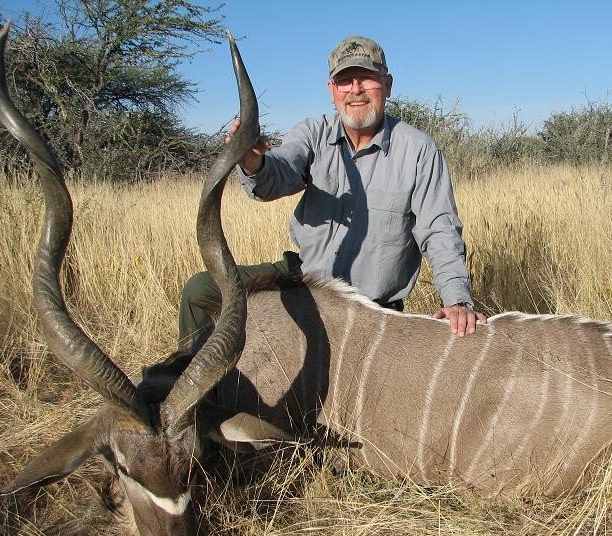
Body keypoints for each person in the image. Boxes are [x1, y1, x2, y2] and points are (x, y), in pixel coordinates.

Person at [179, 35, 485, 348]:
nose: (355, 89)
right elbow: (276, 175)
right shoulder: (313, 134)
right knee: (200, 291)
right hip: (305, 283)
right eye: (345, 80)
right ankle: (195, 390)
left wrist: (458, 300)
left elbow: (440, 231)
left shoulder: (418, 150)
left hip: (370, 309)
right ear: (331, 90)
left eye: (367, 78)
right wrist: (253, 160)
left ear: (388, 85)